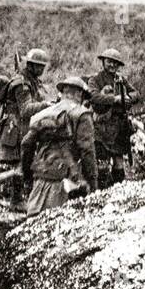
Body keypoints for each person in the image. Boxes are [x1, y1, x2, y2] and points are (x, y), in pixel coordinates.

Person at [18, 76, 98, 215]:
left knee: (32, 227)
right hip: (67, 182)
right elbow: (87, 151)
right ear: (80, 94)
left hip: (40, 177)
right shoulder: (82, 114)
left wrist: (27, 176)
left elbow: (26, 144)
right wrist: (93, 183)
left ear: (63, 92)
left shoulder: (44, 113)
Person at [0, 48, 49, 210]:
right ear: (31, 66)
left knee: (27, 162)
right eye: (38, 66)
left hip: (24, 127)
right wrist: (45, 106)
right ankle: (16, 201)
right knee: (20, 163)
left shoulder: (32, 80)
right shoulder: (21, 84)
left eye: (42, 67)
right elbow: (25, 109)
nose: (41, 70)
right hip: (16, 127)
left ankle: (26, 198)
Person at [87, 48, 138, 186]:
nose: (112, 65)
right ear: (103, 62)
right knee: (101, 162)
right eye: (109, 62)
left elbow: (135, 93)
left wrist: (128, 97)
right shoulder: (95, 79)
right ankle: (101, 190)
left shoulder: (121, 80)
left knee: (118, 159)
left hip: (119, 125)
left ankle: (118, 189)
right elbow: (93, 96)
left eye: (115, 63)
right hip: (101, 126)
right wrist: (114, 99)